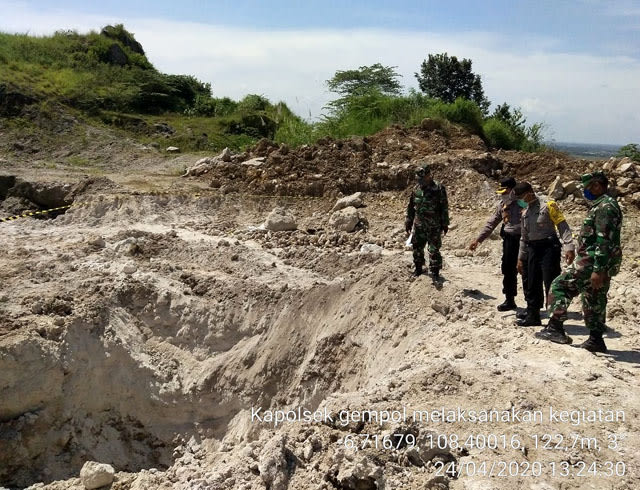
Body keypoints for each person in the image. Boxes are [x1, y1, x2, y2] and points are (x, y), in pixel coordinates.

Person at [536, 172, 622, 352]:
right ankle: (596, 339)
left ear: (597, 186)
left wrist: (597, 269)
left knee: (559, 286)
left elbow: (604, 240)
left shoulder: (605, 207)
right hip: (598, 261)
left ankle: (555, 328)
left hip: (591, 261)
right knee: (593, 298)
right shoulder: (605, 204)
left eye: (588, 187)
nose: (585, 191)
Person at [514, 182, 575, 326]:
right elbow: (524, 237)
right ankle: (533, 315)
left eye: (522, 197)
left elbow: (562, 225)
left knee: (551, 282)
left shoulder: (549, 205)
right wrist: (520, 258)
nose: (521, 200)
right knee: (532, 283)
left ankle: (555, 320)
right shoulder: (525, 212)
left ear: (529, 192)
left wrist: (569, 246)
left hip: (549, 247)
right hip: (533, 249)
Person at [469, 177, 528, 312]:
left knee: (526, 271)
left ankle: (531, 305)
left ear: (513, 190)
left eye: (505, 192)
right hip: (509, 241)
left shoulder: (524, 203)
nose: (503, 195)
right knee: (508, 269)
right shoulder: (502, 205)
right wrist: (478, 240)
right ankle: (510, 299)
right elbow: (492, 223)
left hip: (525, 240)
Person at [405, 163, 450, 280]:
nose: (420, 181)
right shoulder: (416, 190)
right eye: (419, 179)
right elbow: (411, 207)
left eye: (422, 178)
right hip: (419, 225)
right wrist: (408, 221)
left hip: (434, 226)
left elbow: (444, 207)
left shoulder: (439, 189)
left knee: (433, 249)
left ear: (429, 176)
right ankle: (418, 269)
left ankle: (435, 272)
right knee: (417, 247)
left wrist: (445, 223)